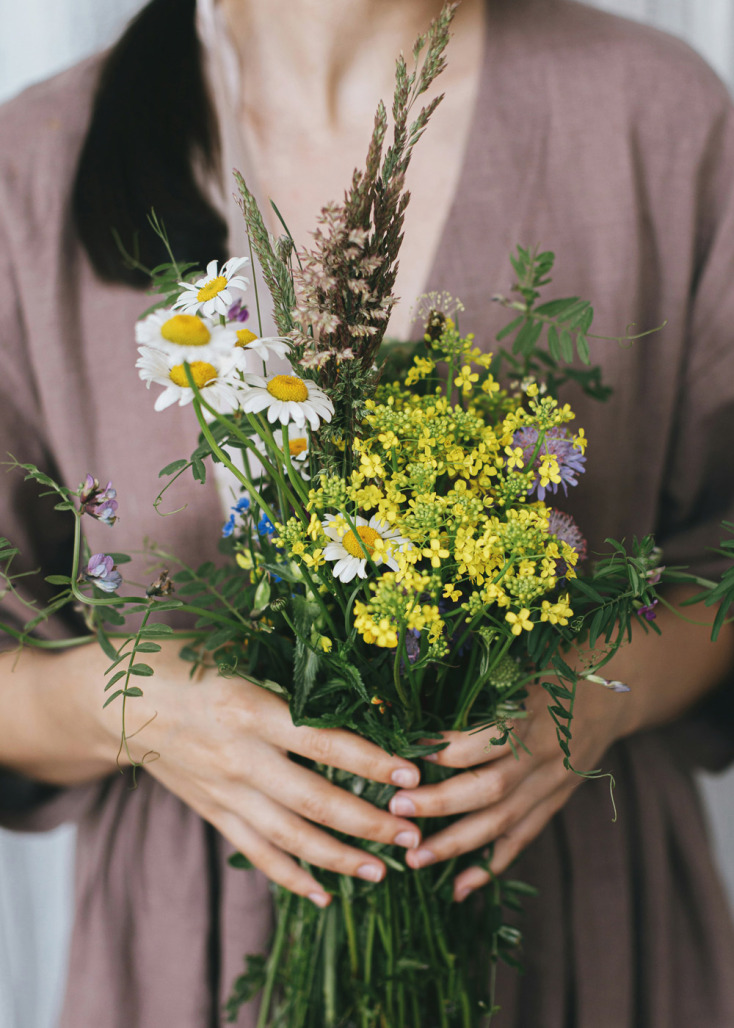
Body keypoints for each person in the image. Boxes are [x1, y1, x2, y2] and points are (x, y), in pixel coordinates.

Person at [2, 0, 734, 1025]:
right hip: (186, 958)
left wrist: (598, 692)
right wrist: (128, 707)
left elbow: (723, 561)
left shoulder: (654, 116)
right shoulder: (32, 167)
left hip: (577, 936)